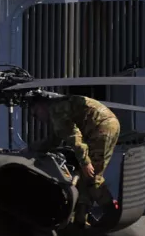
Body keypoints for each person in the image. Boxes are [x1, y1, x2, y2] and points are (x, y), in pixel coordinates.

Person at [29, 93, 121, 225]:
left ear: (41, 106)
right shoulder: (58, 108)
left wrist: (85, 162)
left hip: (101, 129)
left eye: (35, 114)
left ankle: (112, 212)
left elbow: (74, 137)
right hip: (107, 125)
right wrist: (32, 148)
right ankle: (81, 218)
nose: (38, 119)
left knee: (92, 178)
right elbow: (54, 140)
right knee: (85, 176)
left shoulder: (56, 111)